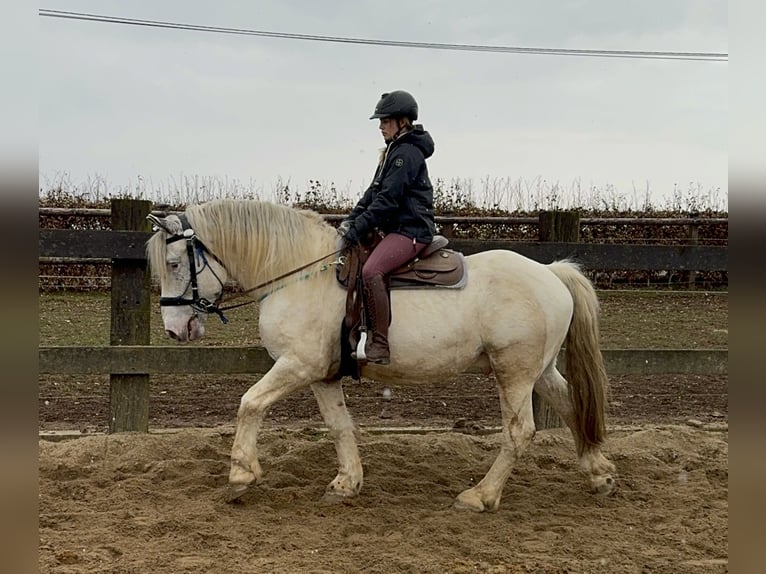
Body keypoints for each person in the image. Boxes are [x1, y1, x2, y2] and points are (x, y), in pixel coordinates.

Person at [338, 90, 436, 364]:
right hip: (396, 228)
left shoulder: (406, 153)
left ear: (402, 121)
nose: (380, 126)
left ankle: (380, 343)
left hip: (411, 231)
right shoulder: (393, 150)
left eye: (385, 120)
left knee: (372, 271)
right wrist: (351, 220)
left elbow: (388, 201)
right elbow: (373, 193)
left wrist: (357, 228)